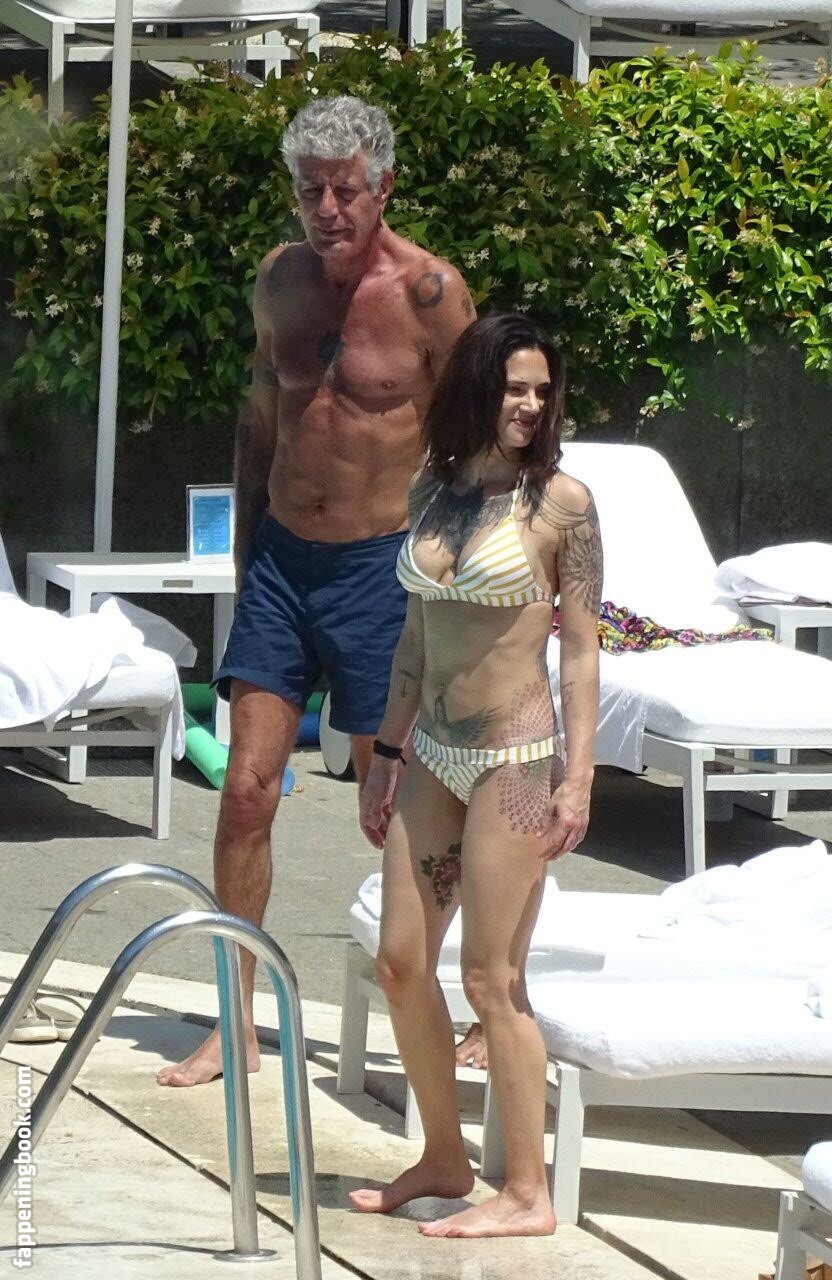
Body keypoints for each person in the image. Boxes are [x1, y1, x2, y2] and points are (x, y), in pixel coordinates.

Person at [157, 95, 474, 1088]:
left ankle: (462, 999)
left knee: (405, 808)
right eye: (310, 191)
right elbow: (261, 420)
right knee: (246, 787)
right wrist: (246, 562)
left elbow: (474, 447)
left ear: (383, 187)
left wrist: (461, 581)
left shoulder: (430, 294)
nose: (326, 209)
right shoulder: (278, 280)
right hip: (283, 566)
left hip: (382, 573)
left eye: (344, 190)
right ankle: (235, 1021)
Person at [349, 314, 602, 1238]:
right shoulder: (432, 488)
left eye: (541, 390)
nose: (530, 405)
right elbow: (414, 638)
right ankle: (443, 1156)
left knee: (492, 978)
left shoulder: (562, 505)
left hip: (515, 760)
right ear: (476, 389)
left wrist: (578, 779)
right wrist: (383, 754)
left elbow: (581, 653)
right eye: (513, 387)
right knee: (399, 963)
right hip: (434, 754)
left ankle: (527, 1193)